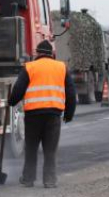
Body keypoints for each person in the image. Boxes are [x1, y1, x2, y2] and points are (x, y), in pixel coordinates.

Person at [7, 39, 76, 188]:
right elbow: (71, 92)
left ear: (37, 53)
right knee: (50, 150)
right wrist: (69, 113)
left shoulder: (30, 67)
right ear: (51, 54)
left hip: (33, 116)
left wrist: (11, 102)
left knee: (31, 148)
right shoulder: (61, 67)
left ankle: (28, 179)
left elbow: (18, 89)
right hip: (53, 115)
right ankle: (49, 180)